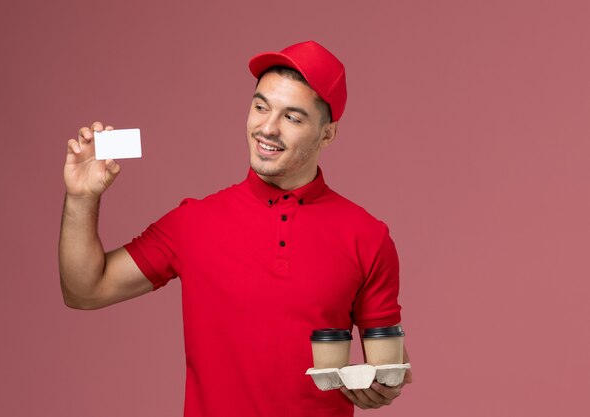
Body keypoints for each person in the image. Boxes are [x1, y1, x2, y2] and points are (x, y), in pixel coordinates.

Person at [59, 40, 412, 417]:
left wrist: (384, 386)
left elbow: (388, 357)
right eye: (260, 107)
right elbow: (85, 290)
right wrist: (81, 198)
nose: (267, 128)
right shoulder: (193, 222)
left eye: (292, 117)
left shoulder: (367, 235)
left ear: (327, 134)